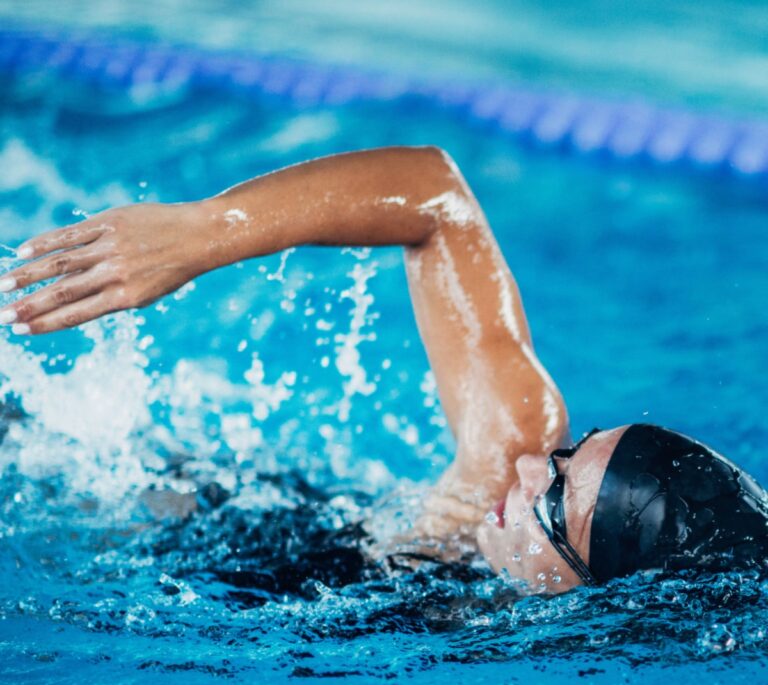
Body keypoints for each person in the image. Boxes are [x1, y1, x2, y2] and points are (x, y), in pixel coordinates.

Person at [1, 146, 767, 594]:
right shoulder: (505, 463)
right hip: (189, 516)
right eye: (572, 454)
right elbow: (435, 194)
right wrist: (203, 232)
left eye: (558, 499)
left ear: (593, 590)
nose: (535, 467)